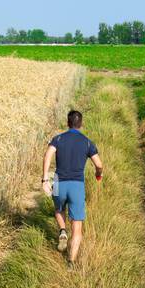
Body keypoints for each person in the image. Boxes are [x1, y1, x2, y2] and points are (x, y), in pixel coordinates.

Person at [41, 109, 102, 265]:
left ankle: (62, 230)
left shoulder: (58, 139)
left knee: (58, 209)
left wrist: (45, 179)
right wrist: (98, 173)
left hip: (58, 181)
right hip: (77, 185)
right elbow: (99, 164)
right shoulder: (87, 142)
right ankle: (71, 262)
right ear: (81, 124)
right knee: (77, 227)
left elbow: (47, 155)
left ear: (68, 123)